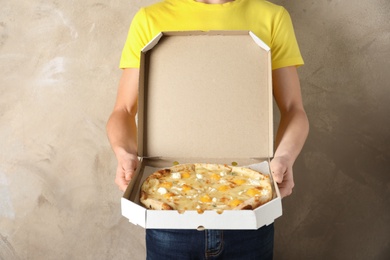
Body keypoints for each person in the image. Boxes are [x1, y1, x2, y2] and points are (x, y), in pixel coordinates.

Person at [106, 0, 309, 259]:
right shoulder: (150, 19)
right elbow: (122, 111)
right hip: (168, 218)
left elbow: (294, 110)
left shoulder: (272, 17)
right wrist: (124, 153)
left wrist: (285, 157)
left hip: (251, 215)